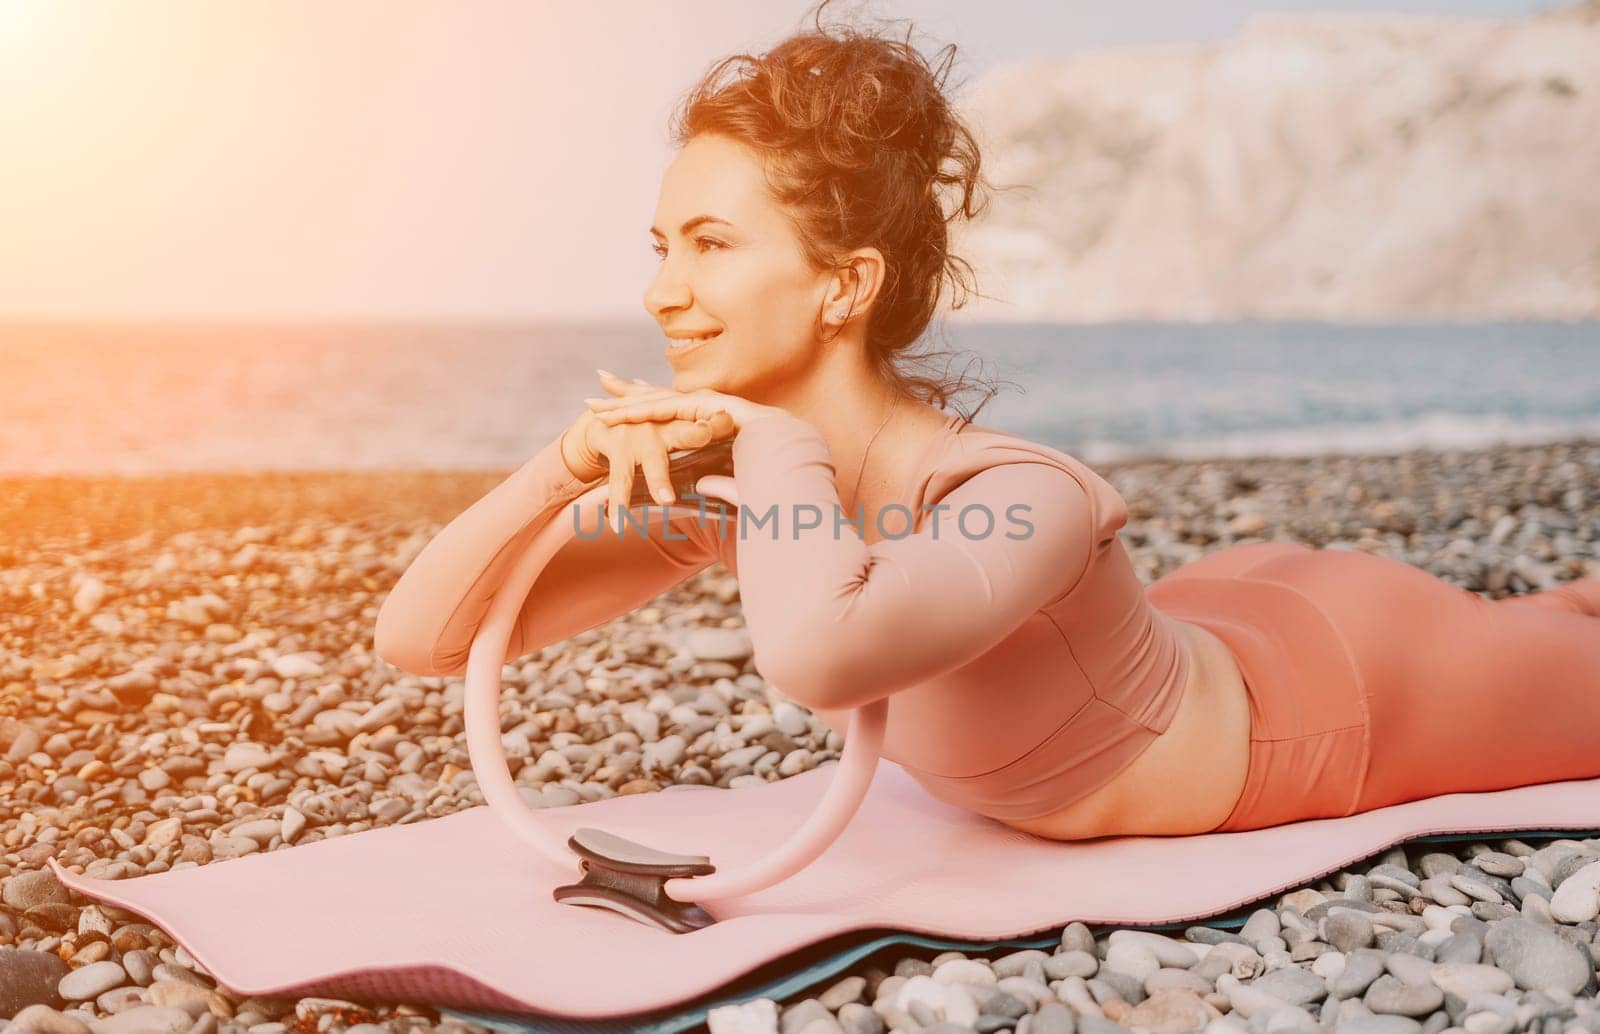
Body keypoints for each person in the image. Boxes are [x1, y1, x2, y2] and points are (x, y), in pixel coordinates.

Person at [374, 4, 1600, 841]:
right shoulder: (757, 504)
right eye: (659, 246)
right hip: (1217, 608)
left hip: (1340, 695)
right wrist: (563, 461)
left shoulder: (1022, 495)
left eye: (709, 245)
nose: (659, 290)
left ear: (843, 286)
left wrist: (759, 440)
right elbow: (425, 638)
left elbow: (819, 652)